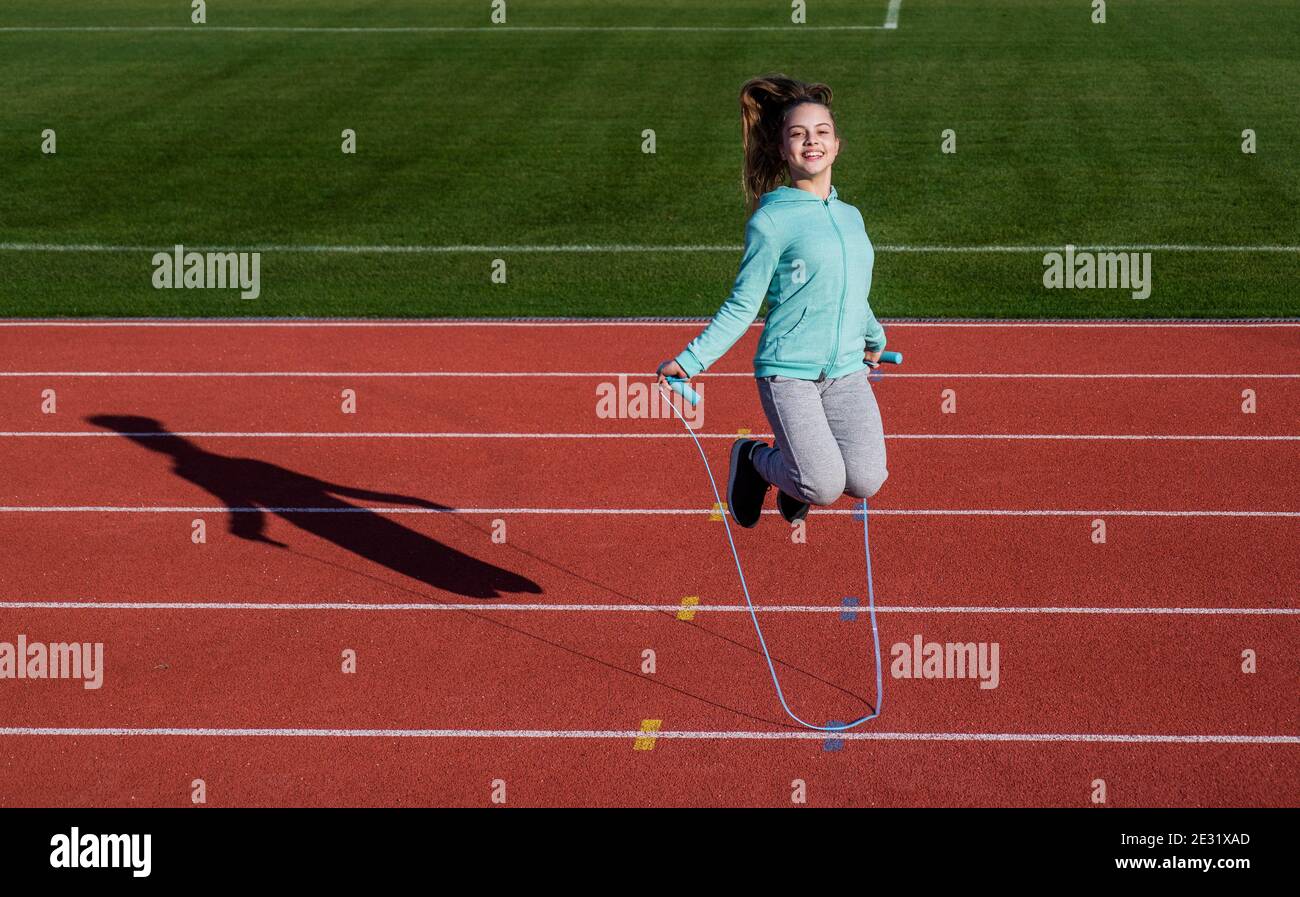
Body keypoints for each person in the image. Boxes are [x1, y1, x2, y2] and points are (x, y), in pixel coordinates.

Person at [656, 74, 889, 528]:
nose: (811, 142)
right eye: (798, 134)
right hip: (789, 374)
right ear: (783, 150)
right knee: (821, 486)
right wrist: (690, 361)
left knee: (865, 480)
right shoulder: (772, 220)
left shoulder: (850, 216)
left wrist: (874, 339)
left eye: (821, 132)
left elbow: (851, 291)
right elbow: (743, 304)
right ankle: (754, 460)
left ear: (837, 145)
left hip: (845, 371)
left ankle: (792, 476)